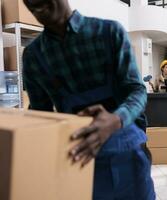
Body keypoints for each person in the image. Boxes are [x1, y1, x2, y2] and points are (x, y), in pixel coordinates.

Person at [22, 0, 155, 199]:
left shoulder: (109, 33)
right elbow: (41, 115)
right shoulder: (34, 56)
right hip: (81, 159)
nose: (36, 6)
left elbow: (137, 91)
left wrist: (115, 120)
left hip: (128, 153)